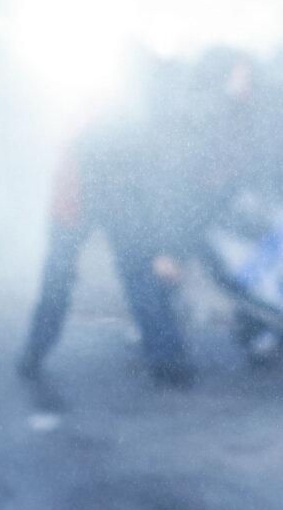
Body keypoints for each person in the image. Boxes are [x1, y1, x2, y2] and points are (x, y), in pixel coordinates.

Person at [17, 78, 194, 387]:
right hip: (107, 191)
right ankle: (167, 359)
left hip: (89, 191)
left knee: (65, 275)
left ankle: (35, 351)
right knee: (135, 275)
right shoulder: (124, 100)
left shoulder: (98, 102)